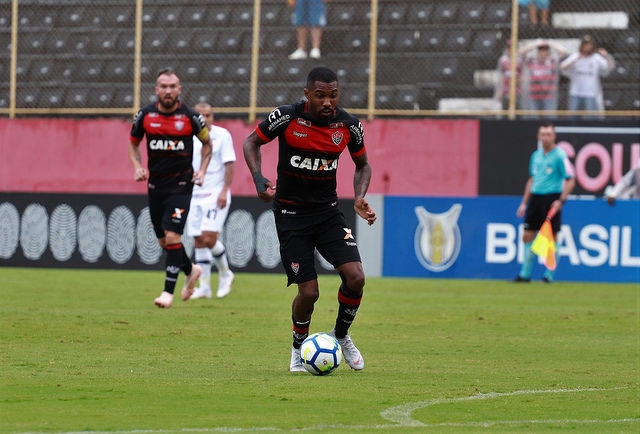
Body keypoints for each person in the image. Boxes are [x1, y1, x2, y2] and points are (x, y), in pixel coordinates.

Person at [243, 66, 376, 372]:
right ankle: (298, 347)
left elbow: (363, 165)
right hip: (291, 216)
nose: (328, 102)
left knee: (356, 277)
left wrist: (359, 197)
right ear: (307, 95)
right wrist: (258, 178)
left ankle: (340, 335)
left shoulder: (348, 126)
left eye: (333, 95)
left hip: (328, 213)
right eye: (321, 96)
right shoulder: (287, 117)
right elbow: (252, 142)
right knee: (310, 292)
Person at [128, 67, 212, 308]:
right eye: (163, 87)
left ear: (179, 89)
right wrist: (137, 166)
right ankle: (191, 270)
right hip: (156, 186)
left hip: (181, 185)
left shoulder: (191, 117)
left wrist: (202, 169)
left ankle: (167, 293)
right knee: (165, 242)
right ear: (156, 90)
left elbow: (208, 144)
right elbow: (133, 144)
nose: (167, 90)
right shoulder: (145, 115)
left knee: (174, 235)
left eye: (172, 86)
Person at [185, 102, 236, 299]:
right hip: (195, 195)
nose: (205, 119)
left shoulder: (222, 135)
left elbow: (229, 165)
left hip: (215, 194)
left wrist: (224, 190)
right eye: (201, 115)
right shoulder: (189, 137)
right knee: (198, 239)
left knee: (208, 238)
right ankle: (204, 287)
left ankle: (225, 272)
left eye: (208, 115)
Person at [515, 123, 575, 283]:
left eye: (549, 134)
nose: (546, 137)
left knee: (552, 237)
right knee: (527, 235)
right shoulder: (536, 156)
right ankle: (525, 275)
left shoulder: (560, 156)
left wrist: (561, 200)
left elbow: (571, 180)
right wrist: (523, 203)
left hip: (551, 198)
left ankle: (549, 275)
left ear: (554, 136)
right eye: (543, 134)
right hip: (535, 198)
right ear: (538, 136)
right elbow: (531, 179)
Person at [560, 35, 615, 118]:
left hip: (590, 93)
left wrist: (606, 56)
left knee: (590, 117)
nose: (587, 47)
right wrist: (576, 59)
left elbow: (610, 68)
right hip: (575, 92)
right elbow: (562, 67)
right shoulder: (575, 56)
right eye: (585, 45)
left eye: (589, 45)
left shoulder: (596, 58)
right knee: (573, 116)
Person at [519, 39, 567, 118]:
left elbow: (563, 52)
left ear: (548, 51)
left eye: (545, 50)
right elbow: (521, 52)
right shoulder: (532, 60)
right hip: (534, 95)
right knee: (533, 119)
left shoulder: (552, 61)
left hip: (549, 96)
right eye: (541, 50)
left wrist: (549, 43)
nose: (543, 52)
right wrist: (536, 43)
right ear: (538, 51)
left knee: (549, 119)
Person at [494, 39, 523, 113]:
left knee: (518, 113)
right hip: (505, 91)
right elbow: (501, 76)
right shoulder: (503, 60)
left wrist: (517, 80)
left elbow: (523, 76)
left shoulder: (520, 60)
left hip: (517, 91)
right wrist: (499, 91)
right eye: (509, 47)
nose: (511, 49)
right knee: (505, 113)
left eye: (513, 47)